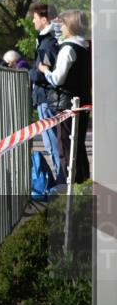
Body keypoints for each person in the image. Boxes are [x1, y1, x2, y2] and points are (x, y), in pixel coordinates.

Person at [40, 10, 92, 184]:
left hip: (66, 104)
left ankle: (71, 189)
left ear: (70, 25)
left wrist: (45, 71)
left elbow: (57, 79)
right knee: (79, 147)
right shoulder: (86, 46)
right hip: (82, 101)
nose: (59, 28)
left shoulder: (68, 48)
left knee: (67, 147)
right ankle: (83, 184)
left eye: (62, 24)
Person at [28, 1, 64, 182]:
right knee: (53, 142)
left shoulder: (47, 43)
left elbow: (44, 72)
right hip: (46, 96)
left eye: (35, 18)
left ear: (44, 19)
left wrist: (30, 73)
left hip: (46, 97)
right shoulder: (48, 41)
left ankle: (61, 180)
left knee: (52, 143)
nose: (33, 22)